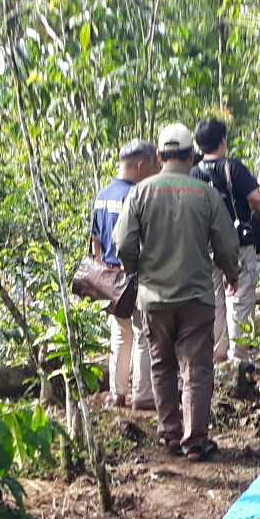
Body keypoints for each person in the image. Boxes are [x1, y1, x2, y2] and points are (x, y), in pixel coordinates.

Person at [115, 123, 241, 461]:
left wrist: (135, 269)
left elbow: (123, 242)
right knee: (197, 368)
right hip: (196, 296)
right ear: (190, 157)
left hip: (154, 298)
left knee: (162, 364)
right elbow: (228, 245)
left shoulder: (140, 193)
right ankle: (195, 441)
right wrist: (231, 273)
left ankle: (169, 433)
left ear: (159, 156)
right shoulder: (206, 194)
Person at [191, 117, 260, 372]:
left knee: (214, 299)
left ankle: (218, 354)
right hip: (238, 243)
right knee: (239, 297)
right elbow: (257, 198)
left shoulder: (192, 173)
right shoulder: (232, 167)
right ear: (223, 140)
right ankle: (240, 356)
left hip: (206, 245)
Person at [90, 139, 157, 410]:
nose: (156, 171)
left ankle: (118, 393)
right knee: (143, 333)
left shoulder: (102, 194)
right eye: (154, 166)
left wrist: (104, 270)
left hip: (110, 275)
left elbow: (95, 239)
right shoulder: (139, 195)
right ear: (141, 165)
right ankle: (142, 395)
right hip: (136, 275)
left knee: (120, 334)